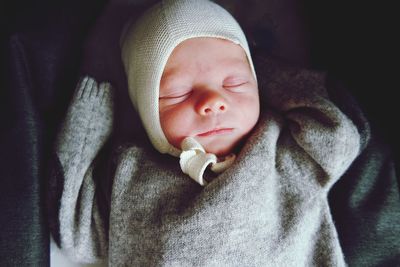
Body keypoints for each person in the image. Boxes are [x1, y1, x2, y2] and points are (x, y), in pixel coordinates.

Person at [49, 0, 363, 266]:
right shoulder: (128, 169)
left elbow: (341, 134)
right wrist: (93, 111)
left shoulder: (285, 147)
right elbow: (73, 230)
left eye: (234, 83)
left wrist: (261, 69)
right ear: (146, 110)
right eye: (178, 93)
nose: (213, 102)